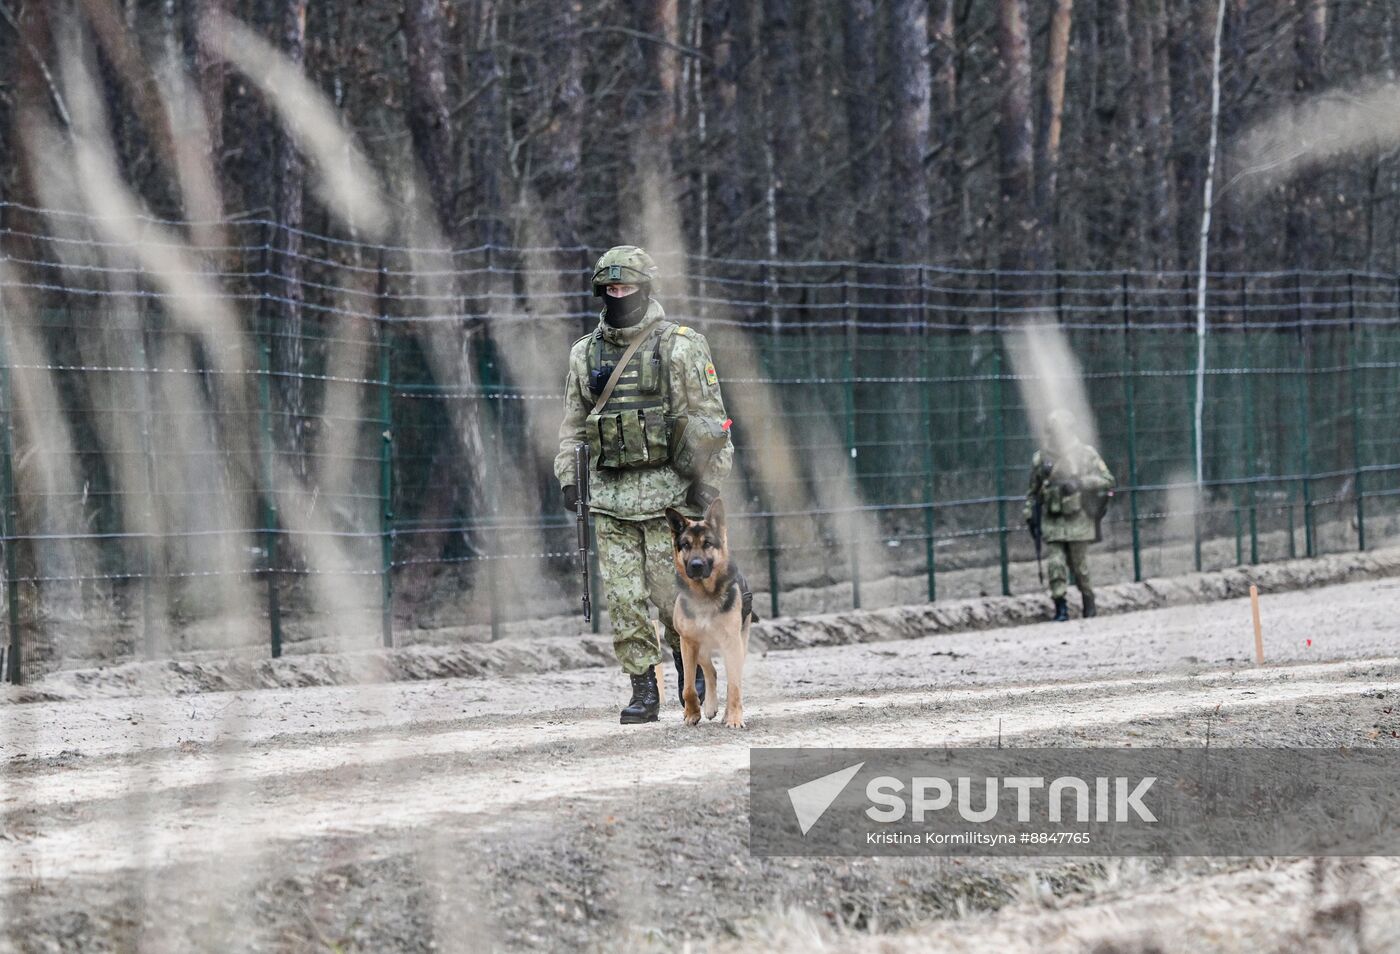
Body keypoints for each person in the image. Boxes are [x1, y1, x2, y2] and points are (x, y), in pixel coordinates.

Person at [555, 245, 734, 723]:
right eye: (610, 289)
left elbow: (712, 422)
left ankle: (690, 674)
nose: (618, 296)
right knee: (625, 601)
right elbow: (573, 425)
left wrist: (708, 486)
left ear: (645, 288)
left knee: (669, 597)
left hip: (668, 499)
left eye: (627, 288)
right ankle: (642, 690)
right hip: (610, 496)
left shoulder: (680, 345)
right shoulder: (584, 353)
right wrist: (570, 478)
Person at [1023, 409, 1115, 622]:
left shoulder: (1086, 454)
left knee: (1079, 567)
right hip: (1052, 518)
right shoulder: (1041, 458)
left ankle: (1088, 601)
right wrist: (1029, 514)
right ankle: (1060, 606)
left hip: (1078, 518)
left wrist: (1081, 483)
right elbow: (1033, 492)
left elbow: (1108, 480)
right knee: (1055, 564)